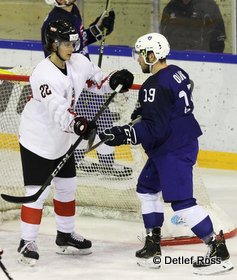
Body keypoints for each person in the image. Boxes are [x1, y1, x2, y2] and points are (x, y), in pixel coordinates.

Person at [99, 32, 233, 274]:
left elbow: (154, 129)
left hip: (173, 149)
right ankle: (153, 247)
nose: (138, 59)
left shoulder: (154, 85)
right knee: (147, 189)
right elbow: (165, 109)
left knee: (182, 204)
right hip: (176, 143)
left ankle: (217, 250)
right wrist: (145, 110)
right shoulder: (176, 72)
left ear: (152, 55)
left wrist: (124, 134)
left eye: (141, 54)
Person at [17, 19, 133, 266]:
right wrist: (78, 124)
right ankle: (27, 241)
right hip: (37, 139)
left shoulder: (78, 61)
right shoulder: (43, 74)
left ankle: (65, 235)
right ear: (53, 44)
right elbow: (58, 110)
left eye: (72, 42)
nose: (72, 48)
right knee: (36, 194)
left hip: (62, 139)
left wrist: (114, 79)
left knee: (67, 187)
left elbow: (96, 80)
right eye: (66, 43)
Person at [42, 0, 132, 177]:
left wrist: (98, 29)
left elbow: (79, 40)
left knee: (91, 120)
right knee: (97, 119)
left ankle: (77, 161)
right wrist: (77, 80)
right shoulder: (55, 20)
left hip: (84, 74)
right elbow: (57, 56)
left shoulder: (72, 10)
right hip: (76, 80)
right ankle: (103, 164)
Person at [160, 0, 226, 53]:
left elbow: (218, 41)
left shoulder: (209, 7)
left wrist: (210, 62)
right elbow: (162, 39)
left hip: (202, 62)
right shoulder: (170, 7)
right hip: (175, 61)